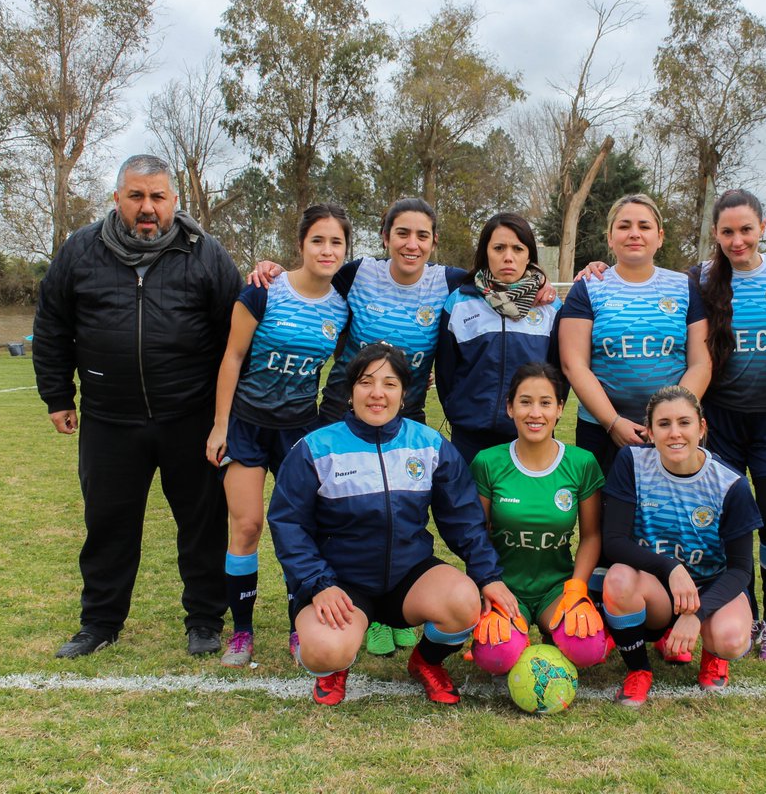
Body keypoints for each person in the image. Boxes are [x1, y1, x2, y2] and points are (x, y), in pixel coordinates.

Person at [252, 197, 558, 656]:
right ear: (385, 237)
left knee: (399, 506)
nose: (411, 244)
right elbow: (312, 272)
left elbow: (496, 276)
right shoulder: (357, 273)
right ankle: (335, 602)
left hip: (406, 415)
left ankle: (395, 608)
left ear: (435, 242)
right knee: (332, 512)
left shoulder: (451, 282)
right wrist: (272, 268)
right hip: (342, 411)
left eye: (422, 236)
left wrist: (541, 283)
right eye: (402, 234)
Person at [34, 154, 241, 658]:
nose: (147, 208)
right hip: (109, 419)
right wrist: (58, 395)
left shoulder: (207, 254)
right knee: (108, 525)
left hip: (189, 417)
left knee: (201, 525)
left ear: (174, 201)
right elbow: (52, 325)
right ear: (117, 199)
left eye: (157, 197)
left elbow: (236, 338)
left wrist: (223, 419)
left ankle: (205, 621)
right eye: (136, 197)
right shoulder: (80, 251)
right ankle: (100, 623)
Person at [266, 343, 518, 706]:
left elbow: (464, 519)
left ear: (404, 394)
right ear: (351, 391)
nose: (377, 393)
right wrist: (318, 583)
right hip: (342, 582)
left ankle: (425, 662)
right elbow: (288, 523)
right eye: (366, 382)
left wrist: (488, 576)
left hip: (408, 576)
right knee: (324, 650)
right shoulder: (315, 448)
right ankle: (337, 666)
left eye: (390, 383)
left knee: (464, 601)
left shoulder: (429, 445)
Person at [205, 204, 351, 667]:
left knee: (300, 531)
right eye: (318, 241)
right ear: (300, 244)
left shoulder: (342, 308)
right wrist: (220, 426)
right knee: (246, 526)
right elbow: (231, 358)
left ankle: (296, 627)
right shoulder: (264, 291)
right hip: (247, 426)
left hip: (298, 431)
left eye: (337, 243)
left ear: (347, 250)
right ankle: (242, 633)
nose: (327, 250)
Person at [692, 189, 766, 664]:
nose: (737, 241)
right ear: (715, 235)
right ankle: (751, 611)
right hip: (719, 423)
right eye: (726, 232)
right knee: (731, 526)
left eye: (745, 230)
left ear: (762, 227)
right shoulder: (700, 278)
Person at [600, 386, 762, 706]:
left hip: (711, 585)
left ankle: (713, 656)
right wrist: (670, 567)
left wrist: (698, 613)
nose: (675, 433)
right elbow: (614, 542)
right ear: (649, 431)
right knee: (617, 578)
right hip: (658, 588)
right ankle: (638, 671)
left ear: (702, 428)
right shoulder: (631, 462)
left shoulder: (731, 484)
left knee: (730, 639)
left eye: (684, 423)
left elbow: (742, 568)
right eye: (664, 424)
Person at [558, 193, 711, 475]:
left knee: (671, 515)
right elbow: (574, 364)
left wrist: (669, 420)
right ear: (610, 237)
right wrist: (612, 422)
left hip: (672, 431)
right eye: (624, 226)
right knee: (606, 517)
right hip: (601, 429)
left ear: (660, 236)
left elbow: (701, 362)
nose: (634, 234)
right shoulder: (589, 286)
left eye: (644, 226)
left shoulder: (684, 287)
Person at [469, 363, 606, 657]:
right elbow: (477, 535)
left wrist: (577, 589)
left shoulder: (582, 463)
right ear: (510, 408)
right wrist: (486, 585)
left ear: (559, 409)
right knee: (497, 654)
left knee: (588, 650)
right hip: (504, 587)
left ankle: (552, 631)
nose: (535, 413)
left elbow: (592, 536)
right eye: (525, 402)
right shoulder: (487, 462)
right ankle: (512, 633)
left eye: (545, 403)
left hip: (556, 588)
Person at [436, 213, 562, 465]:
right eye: (499, 248)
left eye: (518, 248)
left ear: (529, 255)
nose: (508, 257)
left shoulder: (550, 307)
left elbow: (560, 372)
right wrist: (459, 410)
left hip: (530, 433)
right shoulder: (460, 302)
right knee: (465, 505)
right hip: (470, 437)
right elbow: (445, 371)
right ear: (485, 252)